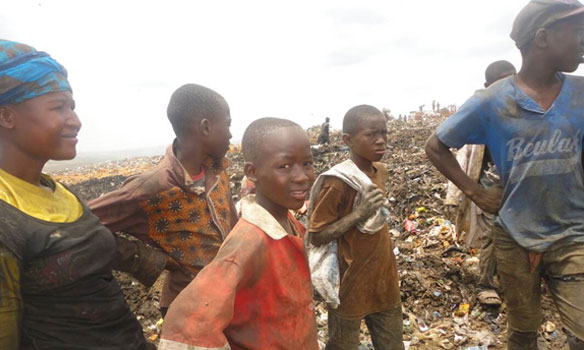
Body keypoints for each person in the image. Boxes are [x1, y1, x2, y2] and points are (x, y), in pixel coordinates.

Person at [425, 1, 584, 349]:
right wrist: (476, 193)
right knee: (523, 332)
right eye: (575, 32)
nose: (582, 41)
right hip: (515, 237)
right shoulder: (492, 101)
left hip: (574, 234)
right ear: (543, 38)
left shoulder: (580, 94)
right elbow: (435, 146)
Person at [0, 39, 154, 349]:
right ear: (6, 116)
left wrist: (163, 264)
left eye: (72, 105)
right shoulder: (6, 219)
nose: (76, 120)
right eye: (58, 107)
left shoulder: (58, 192)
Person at [159, 117, 319, 350]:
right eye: (284, 166)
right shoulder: (249, 241)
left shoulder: (287, 221)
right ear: (252, 172)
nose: (302, 176)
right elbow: (187, 325)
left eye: (307, 163)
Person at [88, 83, 238, 316]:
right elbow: (82, 227)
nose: (230, 134)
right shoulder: (152, 187)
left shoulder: (217, 170)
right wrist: (153, 260)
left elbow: (233, 228)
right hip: (188, 307)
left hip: (228, 295)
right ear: (205, 127)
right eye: (228, 124)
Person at [309, 105, 404, 350]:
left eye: (384, 133)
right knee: (342, 345)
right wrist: (359, 214)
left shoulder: (380, 171)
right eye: (372, 134)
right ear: (348, 140)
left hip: (385, 281)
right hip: (350, 283)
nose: (381, 140)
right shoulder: (338, 181)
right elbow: (317, 235)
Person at [444, 60, 517, 306]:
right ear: (487, 86)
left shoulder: (527, 111)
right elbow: (454, 151)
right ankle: (486, 284)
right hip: (491, 186)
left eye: (512, 78)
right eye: (501, 80)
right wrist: (465, 193)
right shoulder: (481, 115)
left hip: (521, 184)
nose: (507, 85)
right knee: (493, 236)